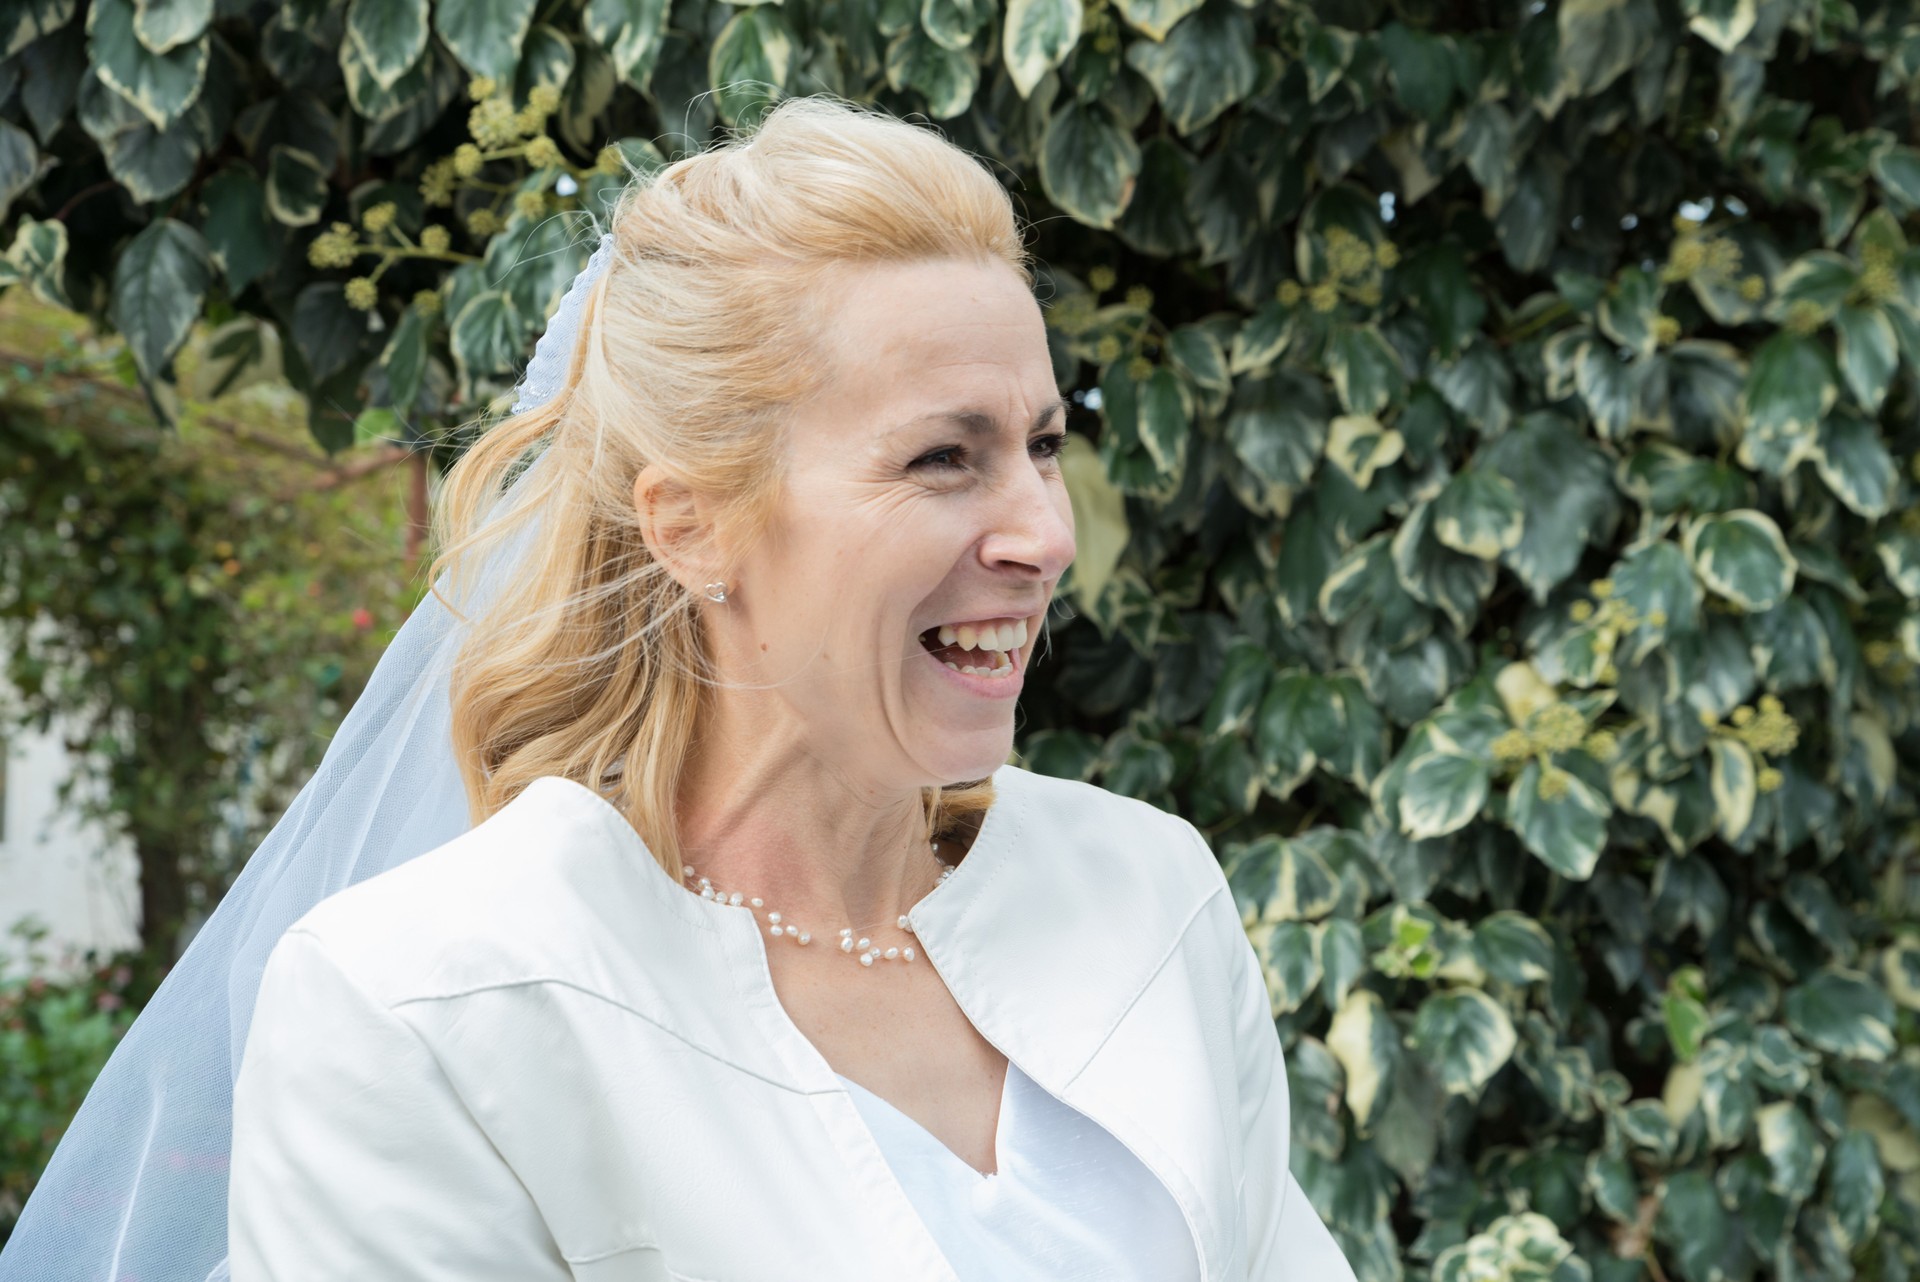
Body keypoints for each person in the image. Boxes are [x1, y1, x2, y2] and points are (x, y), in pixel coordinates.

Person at [0, 95, 1355, 1281]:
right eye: (947, 457)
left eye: (1045, 445)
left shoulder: (1145, 891)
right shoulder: (427, 1006)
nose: (1043, 533)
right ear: (692, 522)